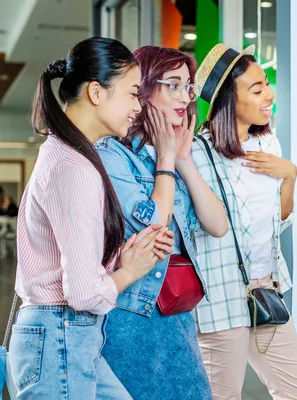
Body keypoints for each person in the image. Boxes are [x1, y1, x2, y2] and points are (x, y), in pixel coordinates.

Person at [9, 37, 174, 399]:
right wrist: (129, 271)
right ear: (97, 93)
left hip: (67, 336)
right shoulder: (74, 167)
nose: (138, 106)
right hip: (61, 336)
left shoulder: (66, 154)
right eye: (132, 93)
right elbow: (84, 293)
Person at [95, 45, 227, 400]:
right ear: (144, 88)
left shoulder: (179, 151)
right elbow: (155, 224)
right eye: (173, 84)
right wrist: (166, 159)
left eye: (188, 87)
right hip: (130, 316)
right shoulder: (113, 155)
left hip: (177, 315)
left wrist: (182, 159)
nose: (185, 96)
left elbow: (218, 225)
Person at [191, 43, 297, 399]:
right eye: (257, 88)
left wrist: (290, 175)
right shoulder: (200, 155)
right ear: (229, 100)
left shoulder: (268, 145)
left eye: (266, 84)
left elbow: (279, 218)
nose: (269, 94)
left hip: (265, 293)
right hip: (220, 299)